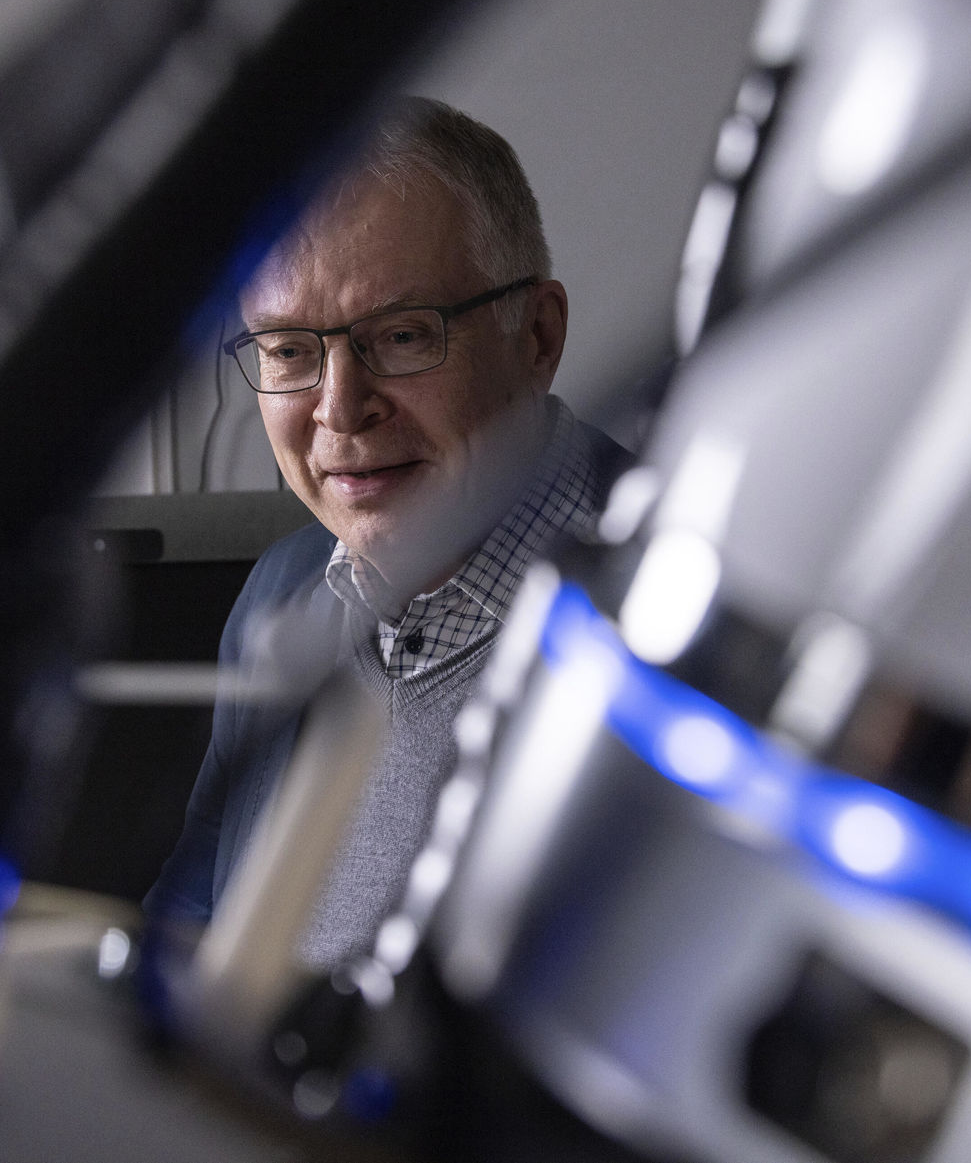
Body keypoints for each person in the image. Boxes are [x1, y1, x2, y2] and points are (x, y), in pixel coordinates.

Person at [145, 98, 631, 968]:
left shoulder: (675, 610)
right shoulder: (284, 592)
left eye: (404, 336)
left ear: (539, 337)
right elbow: (192, 922)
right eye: (290, 350)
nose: (340, 409)